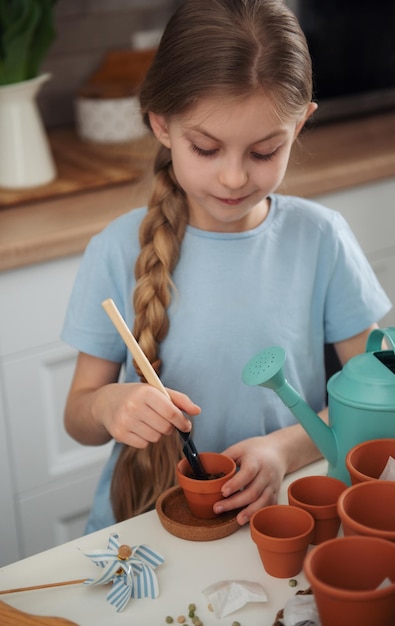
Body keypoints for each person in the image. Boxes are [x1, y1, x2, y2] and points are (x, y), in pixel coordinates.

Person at [61, 0, 391, 534]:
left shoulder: (321, 238)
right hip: (143, 528)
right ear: (161, 124)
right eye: (207, 148)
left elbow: (374, 400)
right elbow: (78, 417)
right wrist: (107, 407)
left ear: (301, 122)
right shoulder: (117, 248)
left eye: (264, 152)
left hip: (282, 516)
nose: (234, 178)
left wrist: (284, 449)